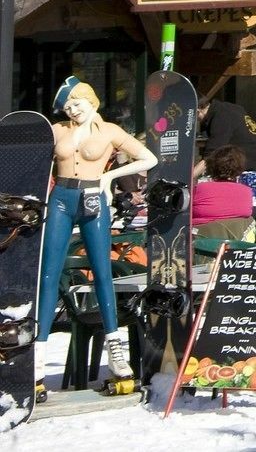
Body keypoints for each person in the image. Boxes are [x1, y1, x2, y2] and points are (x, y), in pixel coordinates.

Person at [36, 77, 157, 388]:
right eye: (67, 106)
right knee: (48, 272)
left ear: (91, 101)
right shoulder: (58, 130)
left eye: (77, 103)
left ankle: (115, 348)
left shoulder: (110, 131)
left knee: (102, 272)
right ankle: (38, 350)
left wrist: (109, 177)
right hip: (61, 197)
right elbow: (35, 159)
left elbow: (149, 158)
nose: (73, 110)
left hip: (93, 197)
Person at [198, 97, 256, 175]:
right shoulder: (227, 108)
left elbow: (210, 156)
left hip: (255, 170)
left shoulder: (222, 117)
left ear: (198, 111)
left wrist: (188, 179)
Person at [192, 145, 255, 238]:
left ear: (211, 166)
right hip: (235, 243)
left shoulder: (200, 189)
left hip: (201, 243)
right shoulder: (247, 192)